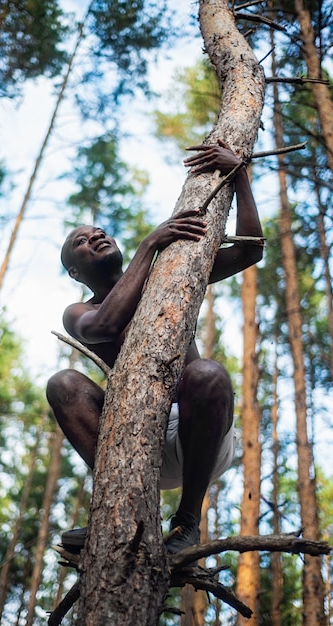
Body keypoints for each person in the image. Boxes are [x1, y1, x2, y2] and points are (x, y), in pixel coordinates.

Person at [46, 140, 263, 557]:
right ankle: (115, 516)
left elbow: (251, 250)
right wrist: (150, 243)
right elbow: (105, 325)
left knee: (207, 372)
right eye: (82, 241)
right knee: (63, 383)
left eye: (98, 232)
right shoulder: (78, 312)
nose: (95, 236)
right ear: (75, 271)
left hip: (200, 432)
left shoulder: (166, 275)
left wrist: (239, 174)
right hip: (132, 442)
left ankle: (186, 523)